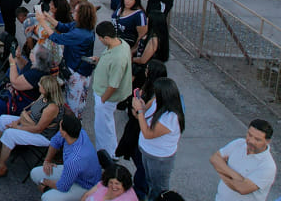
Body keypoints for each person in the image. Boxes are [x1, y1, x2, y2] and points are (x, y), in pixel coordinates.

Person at [0, 74, 66, 180]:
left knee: (9, 134)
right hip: (30, 122)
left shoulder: (52, 107)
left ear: (46, 89)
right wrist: (17, 121)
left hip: (43, 135)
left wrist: (17, 127)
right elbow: (31, 109)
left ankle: (0, 166)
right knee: (3, 120)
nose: (38, 85)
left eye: (40, 84)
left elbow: (39, 129)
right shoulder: (43, 96)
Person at [130, 76, 184, 201]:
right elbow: (144, 117)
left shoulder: (171, 118)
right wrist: (141, 108)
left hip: (159, 158)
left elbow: (147, 133)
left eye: (157, 92)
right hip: (147, 152)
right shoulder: (157, 101)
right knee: (150, 181)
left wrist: (140, 111)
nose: (154, 95)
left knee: (159, 188)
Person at [29, 114, 102, 201]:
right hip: (72, 172)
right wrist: (47, 161)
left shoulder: (74, 160)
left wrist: (45, 182)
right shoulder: (78, 132)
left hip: (85, 185)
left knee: (47, 198)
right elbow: (55, 141)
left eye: (60, 127)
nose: (59, 129)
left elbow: (63, 187)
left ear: (64, 133)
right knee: (34, 173)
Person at [91, 20, 132, 157]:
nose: (99, 40)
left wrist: (103, 100)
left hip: (105, 96)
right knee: (106, 124)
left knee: (102, 127)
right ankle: (111, 150)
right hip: (103, 94)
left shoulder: (117, 58)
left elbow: (114, 84)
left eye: (100, 38)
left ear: (107, 38)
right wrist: (99, 60)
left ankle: (106, 154)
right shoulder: (121, 44)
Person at [210, 119, 276, 201]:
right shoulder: (238, 143)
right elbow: (214, 158)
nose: (251, 141)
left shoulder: (267, 166)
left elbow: (242, 189)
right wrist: (238, 178)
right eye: (249, 135)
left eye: (257, 139)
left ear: (267, 141)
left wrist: (221, 169)